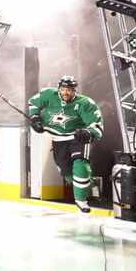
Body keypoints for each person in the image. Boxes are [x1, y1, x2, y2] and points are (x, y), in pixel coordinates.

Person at [27, 75, 104, 213]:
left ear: (75, 90)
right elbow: (33, 103)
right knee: (66, 173)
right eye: (63, 89)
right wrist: (35, 118)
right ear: (59, 89)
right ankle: (91, 184)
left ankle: (81, 201)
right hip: (58, 140)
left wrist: (88, 132)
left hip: (77, 138)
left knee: (80, 165)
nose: (65, 93)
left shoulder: (84, 103)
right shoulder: (48, 94)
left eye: (69, 90)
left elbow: (96, 123)